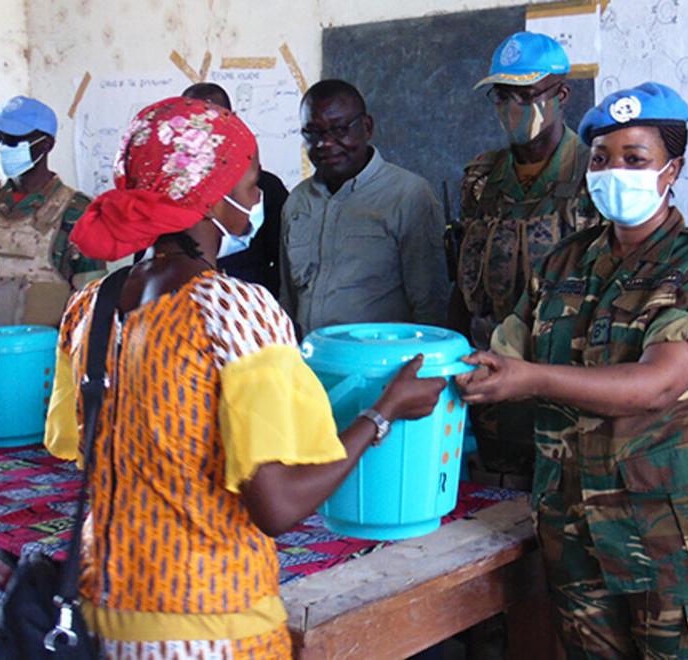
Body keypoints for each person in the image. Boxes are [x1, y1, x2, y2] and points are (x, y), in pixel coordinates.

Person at [44, 97, 445, 656]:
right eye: (252, 186)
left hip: (107, 612)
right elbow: (278, 506)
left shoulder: (90, 305)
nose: (258, 202)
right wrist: (383, 414)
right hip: (210, 623)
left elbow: (75, 445)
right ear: (210, 198)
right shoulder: (233, 309)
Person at [456, 82, 688, 657]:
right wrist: (422, 377)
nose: (614, 172)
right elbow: (503, 352)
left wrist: (531, 379)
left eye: (634, 159)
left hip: (676, 544)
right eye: (600, 159)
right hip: (575, 535)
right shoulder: (565, 262)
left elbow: (658, 383)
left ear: (672, 170)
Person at [451, 32, 600, 486]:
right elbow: (463, 282)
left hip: (567, 391)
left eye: (526, 94)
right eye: (502, 95)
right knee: (496, 510)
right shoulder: (482, 179)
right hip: (492, 389)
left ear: (561, 95)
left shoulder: (596, 174)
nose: (512, 107)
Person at [280, 79, 448, 336]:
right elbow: (288, 300)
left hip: (383, 359)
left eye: (339, 130)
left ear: (367, 127)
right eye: (313, 133)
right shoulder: (297, 201)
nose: (325, 143)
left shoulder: (409, 196)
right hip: (310, 356)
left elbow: (431, 307)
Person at [0, 95, 103, 327]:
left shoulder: (76, 211)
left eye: (13, 141)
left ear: (46, 144)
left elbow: (91, 300)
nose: (2, 148)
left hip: (42, 347)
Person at [180, 82, 288, 298]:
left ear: (233, 119)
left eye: (216, 118)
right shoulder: (166, 193)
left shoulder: (268, 187)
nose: (206, 129)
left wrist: (262, 300)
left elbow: (283, 261)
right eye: (195, 120)